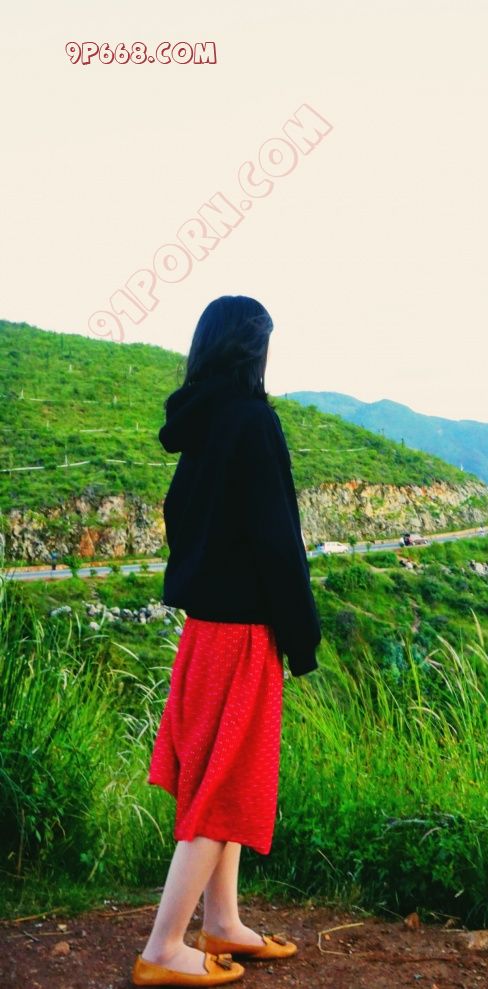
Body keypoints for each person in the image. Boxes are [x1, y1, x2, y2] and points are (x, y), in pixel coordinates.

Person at [131, 295, 322, 987]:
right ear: (251, 351)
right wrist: (301, 633)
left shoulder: (203, 425)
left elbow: (181, 517)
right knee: (221, 790)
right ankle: (162, 948)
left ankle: (223, 921)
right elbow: (277, 538)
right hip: (241, 635)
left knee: (224, 777)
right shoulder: (252, 421)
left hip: (204, 631)